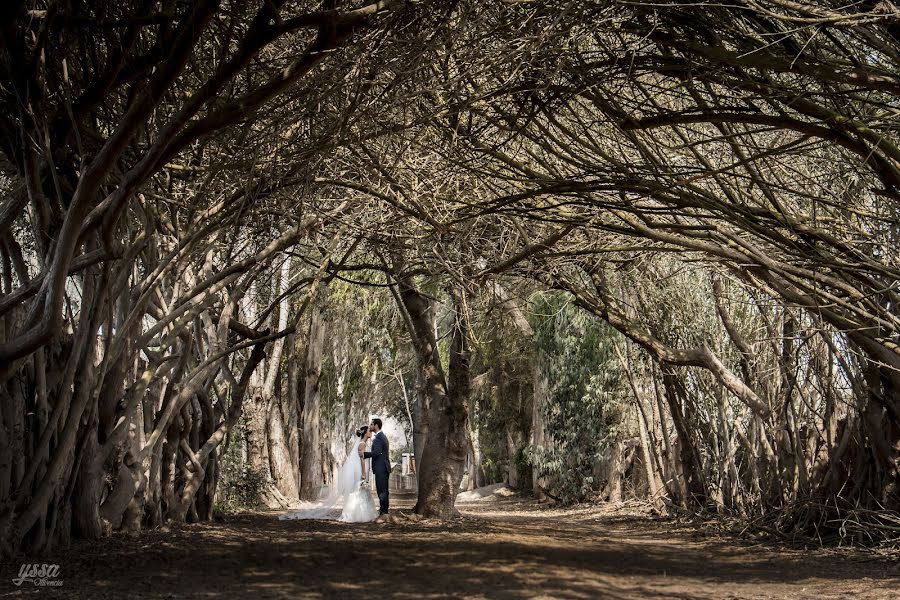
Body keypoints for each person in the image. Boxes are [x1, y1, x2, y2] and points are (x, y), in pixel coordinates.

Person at [279, 425, 378, 523]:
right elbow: (361, 460)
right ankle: (356, 514)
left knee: (361, 491)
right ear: (365, 433)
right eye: (369, 431)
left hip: (361, 469)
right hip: (360, 470)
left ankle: (361, 513)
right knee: (358, 491)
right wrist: (364, 473)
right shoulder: (362, 445)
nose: (371, 432)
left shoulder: (363, 444)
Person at [364, 418, 391, 521]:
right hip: (382, 468)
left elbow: (376, 452)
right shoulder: (380, 436)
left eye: (371, 424)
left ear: (376, 426)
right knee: (382, 490)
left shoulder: (379, 438)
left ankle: (384, 513)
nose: (370, 426)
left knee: (382, 491)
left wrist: (364, 454)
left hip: (382, 468)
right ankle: (383, 511)